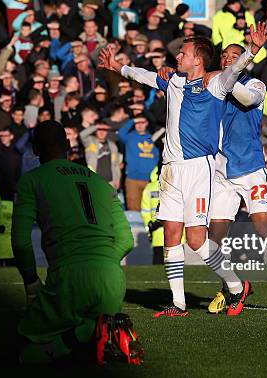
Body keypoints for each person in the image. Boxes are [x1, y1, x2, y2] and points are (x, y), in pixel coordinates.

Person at [98, 23, 267, 317]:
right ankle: (178, 303)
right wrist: (119, 67)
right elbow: (145, 76)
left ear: (198, 60)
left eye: (184, 52)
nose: (178, 56)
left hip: (198, 169)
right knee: (170, 234)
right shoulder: (174, 81)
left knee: (195, 240)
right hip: (170, 169)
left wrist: (252, 50)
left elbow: (233, 72)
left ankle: (235, 286)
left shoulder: (215, 84)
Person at [11, 121, 142, 365]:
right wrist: (100, 263)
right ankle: (100, 327)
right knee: (81, 346)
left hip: (68, 277)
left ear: (35, 150)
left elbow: (20, 241)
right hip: (112, 281)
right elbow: (126, 240)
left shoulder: (32, 180)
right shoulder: (101, 183)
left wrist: (30, 282)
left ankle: (90, 330)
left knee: (24, 345)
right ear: (69, 145)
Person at [199, 43, 267, 316]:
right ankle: (230, 287)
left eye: (236, 57)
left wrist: (224, 76)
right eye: (225, 57)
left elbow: (245, 99)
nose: (229, 60)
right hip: (222, 172)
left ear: (245, 61)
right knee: (214, 238)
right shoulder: (214, 87)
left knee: (265, 230)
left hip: (251, 169)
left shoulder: (256, 84)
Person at [118, 116, 160, 211]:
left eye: (143, 122)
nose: (140, 125)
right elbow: (120, 132)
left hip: (150, 181)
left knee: (151, 209)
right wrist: (133, 120)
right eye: (138, 123)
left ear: (147, 124)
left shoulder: (153, 138)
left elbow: (158, 157)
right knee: (133, 209)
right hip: (133, 179)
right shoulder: (129, 137)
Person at [141, 165, 164, 264]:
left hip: (157, 234)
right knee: (176, 268)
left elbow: (145, 211)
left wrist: (150, 227)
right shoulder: (177, 186)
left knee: (158, 268)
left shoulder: (149, 188)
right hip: (177, 236)